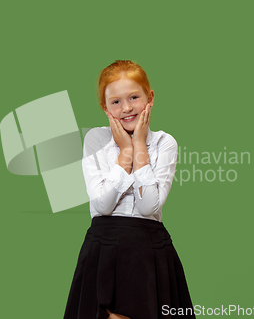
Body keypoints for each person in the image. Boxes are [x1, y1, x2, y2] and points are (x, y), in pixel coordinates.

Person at [63, 60, 195, 319]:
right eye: (115, 102)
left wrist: (140, 147)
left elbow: (148, 208)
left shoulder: (164, 143)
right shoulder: (96, 140)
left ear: (150, 98)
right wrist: (125, 153)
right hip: (103, 249)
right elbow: (102, 206)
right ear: (105, 107)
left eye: (134, 97)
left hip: (149, 250)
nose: (126, 108)